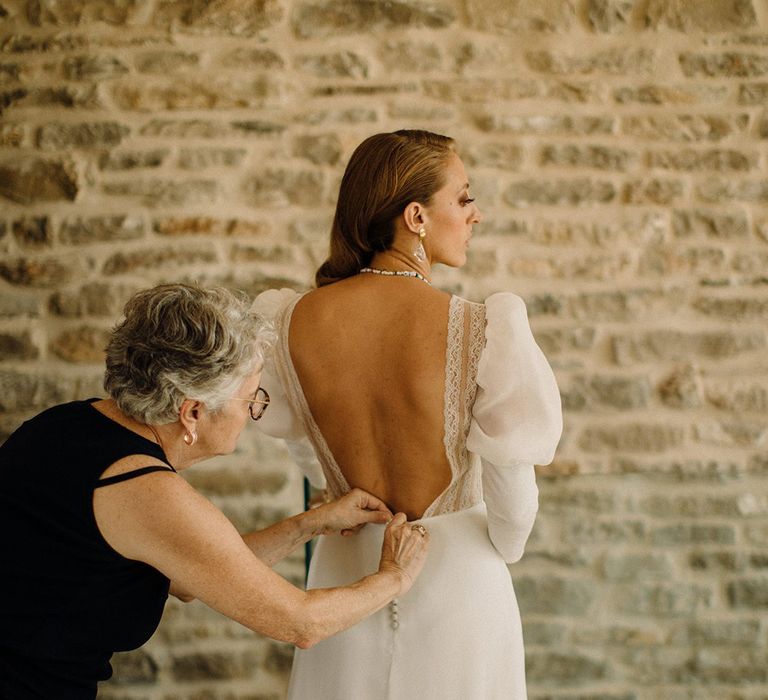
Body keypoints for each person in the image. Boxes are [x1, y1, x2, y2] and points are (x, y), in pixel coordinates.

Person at [0, 283, 429, 700]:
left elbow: (192, 577)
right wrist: (394, 577)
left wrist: (312, 523)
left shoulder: (66, 424)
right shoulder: (146, 492)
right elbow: (301, 623)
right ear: (192, 412)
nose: (255, 412)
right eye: (250, 400)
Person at [253, 129, 563, 699]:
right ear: (416, 216)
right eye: (465, 198)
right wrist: (503, 548)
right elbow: (513, 512)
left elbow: (304, 453)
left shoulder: (288, 322)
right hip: (458, 573)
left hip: (345, 568)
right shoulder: (484, 328)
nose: (477, 214)